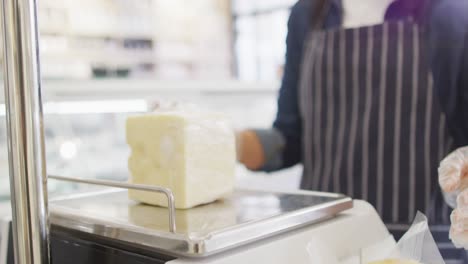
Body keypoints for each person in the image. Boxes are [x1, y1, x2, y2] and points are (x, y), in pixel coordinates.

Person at [237, 0, 468, 261]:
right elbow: (289, 138)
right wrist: (226, 144)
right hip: (324, 246)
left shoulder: (452, 14)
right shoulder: (308, 14)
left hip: (420, 249)